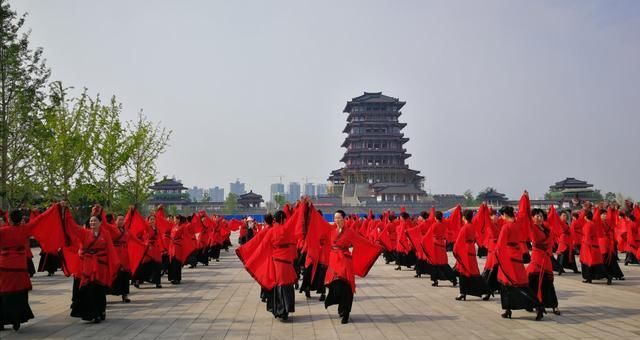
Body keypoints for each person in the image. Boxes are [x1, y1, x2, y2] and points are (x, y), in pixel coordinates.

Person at [0, 204, 63, 331]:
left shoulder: (2, 231)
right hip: (20, 266)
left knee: (3, 294)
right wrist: (54, 207)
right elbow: (40, 219)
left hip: (4, 266)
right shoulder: (25, 229)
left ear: (10, 220)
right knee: (19, 293)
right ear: (20, 219)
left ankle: (2, 320)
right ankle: (17, 319)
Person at [62, 206, 120, 323]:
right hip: (88, 266)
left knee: (99, 289)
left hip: (101, 266)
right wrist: (66, 212)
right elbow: (72, 226)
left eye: (95, 220)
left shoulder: (106, 234)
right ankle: (93, 313)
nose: (93, 222)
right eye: (91, 221)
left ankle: (101, 311)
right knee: (89, 289)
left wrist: (115, 263)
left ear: (100, 223)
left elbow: (110, 249)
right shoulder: (85, 233)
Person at [324, 210, 382, 324]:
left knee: (346, 288)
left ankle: (345, 313)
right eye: (335, 218)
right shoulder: (331, 230)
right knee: (336, 286)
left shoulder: (350, 232)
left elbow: (362, 242)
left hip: (345, 262)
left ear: (344, 219)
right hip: (333, 262)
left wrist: (376, 247)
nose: (337, 220)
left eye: (339, 218)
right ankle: (341, 308)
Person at [495, 198, 540, 320]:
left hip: (508, 258)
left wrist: (497, 254)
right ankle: (533, 305)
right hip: (517, 255)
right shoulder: (517, 225)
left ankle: (510, 309)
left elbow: (499, 245)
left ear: (504, 215)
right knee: (521, 284)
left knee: (508, 284)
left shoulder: (506, 227)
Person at [528, 209, 560, 318]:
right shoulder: (532, 228)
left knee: (548, 283)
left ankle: (553, 305)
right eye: (537, 216)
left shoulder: (546, 228)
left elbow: (551, 241)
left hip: (546, 259)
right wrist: (525, 199)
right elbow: (525, 215)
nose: (539, 218)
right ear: (532, 218)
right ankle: (536, 305)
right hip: (537, 258)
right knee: (535, 282)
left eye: (541, 216)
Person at [453, 210, 490, 301]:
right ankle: (482, 291)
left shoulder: (464, 228)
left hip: (465, 251)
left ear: (464, 217)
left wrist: (455, 251)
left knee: (464, 271)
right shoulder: (472, 226)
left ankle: (463, 293)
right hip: (471, 249)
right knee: (473, 272)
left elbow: (458, 242)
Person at [422, 211, 457, 287]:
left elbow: (428, 234)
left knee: (434, 263)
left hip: (435, 245)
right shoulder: (443, 225)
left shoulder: (434, 225)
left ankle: (435, 280)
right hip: (441, 244)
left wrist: (422, 241)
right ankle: (453, 278)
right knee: (444, 263)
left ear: (435, 217)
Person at [103, 214, 132, 303]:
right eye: (119, 220)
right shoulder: (112, 228)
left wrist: (143, 245)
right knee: (114, 274)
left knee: (125, 275)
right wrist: (100, 212)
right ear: (116, 221)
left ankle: (125, 295)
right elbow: (104, 223)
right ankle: (105, 294)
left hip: (125, 255)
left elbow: (133, 238)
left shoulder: (126, 231)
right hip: (115, 254)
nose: (121, 221)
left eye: (122, 220)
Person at [580, 211, 612, 284]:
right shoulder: (593, 224)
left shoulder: (588, 225)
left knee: (595, 264)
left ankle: (608, 277)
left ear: (585, 217)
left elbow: (587, 237)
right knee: (591, 264)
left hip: (589, 247)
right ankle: (589, 278)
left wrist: (585, 243)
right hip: (594, 246)